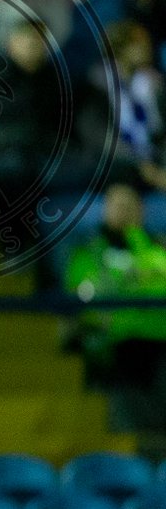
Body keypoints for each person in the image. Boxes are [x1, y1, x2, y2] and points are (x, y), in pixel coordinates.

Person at [65, 182, 166, 459]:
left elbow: (160, 284)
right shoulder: (88, 253)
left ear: (141, 210)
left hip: (158, 344)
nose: (122, 212)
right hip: (110, 350)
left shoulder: (156, 248)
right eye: (116, 206)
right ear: (105, 211)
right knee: (125, 433)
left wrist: (129, 278)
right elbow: (82, 295)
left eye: (128, 205)